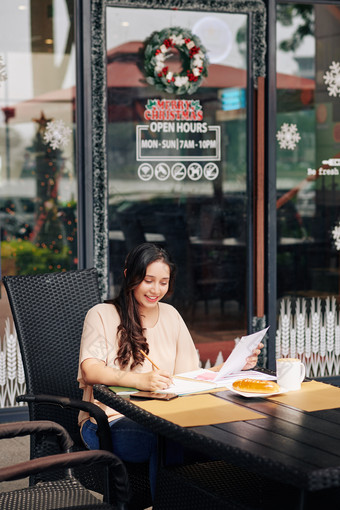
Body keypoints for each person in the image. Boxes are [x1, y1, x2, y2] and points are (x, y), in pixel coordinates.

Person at [77, 242, 263, 498]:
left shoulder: (171, 315)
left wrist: (232, 366)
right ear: (128, 275)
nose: (156, 290)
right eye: (148, 280)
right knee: (167, 437)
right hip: (109, 421)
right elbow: (90, 370)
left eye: (163, 282)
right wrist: (141, 380)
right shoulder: (102, 314)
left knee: (232, 431)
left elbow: (189, 377)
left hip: (166, 417)